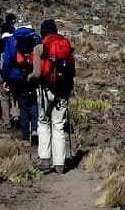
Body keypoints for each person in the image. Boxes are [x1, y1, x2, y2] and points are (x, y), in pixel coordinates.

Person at [30, 19, 75, 174]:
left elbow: (36, 73)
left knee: (43, 121)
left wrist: (30, 78)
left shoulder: (39, 48)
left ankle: (44, 158)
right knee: (59, 125)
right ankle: (60, 164)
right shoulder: (66, 46)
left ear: (43, 33)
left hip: (45, 90)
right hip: (63, 90)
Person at [0, 24, 41, 144]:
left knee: (23, 106)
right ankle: (34, 129)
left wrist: (5, 77)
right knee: (34, 102)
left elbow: (6, 61)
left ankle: (25, 136)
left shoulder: (11, 40)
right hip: (32, 74)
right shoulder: (35, 38)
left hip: (16, 76)